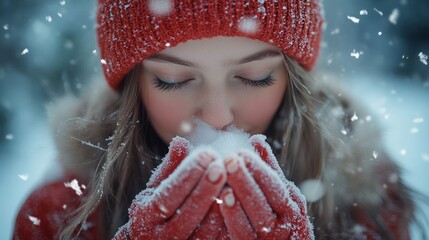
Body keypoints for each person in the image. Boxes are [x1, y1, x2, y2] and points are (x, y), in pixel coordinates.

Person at [13, 0, 425, 239]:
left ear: (292, 78)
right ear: (135, 84)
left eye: (254, 77)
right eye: (173, 80)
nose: (218, 115)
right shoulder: (58, 215)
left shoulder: (368, 204)